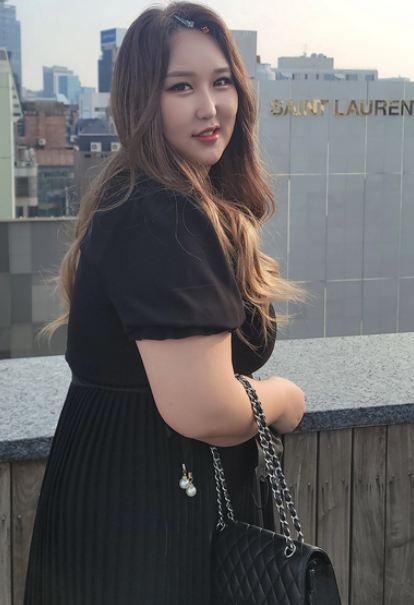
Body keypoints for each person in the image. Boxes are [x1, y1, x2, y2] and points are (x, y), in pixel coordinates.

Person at [24, 3, 306, 604]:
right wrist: (283, 397)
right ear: (142, 101)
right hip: (147, 518)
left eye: (221, 81)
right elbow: (202, 408)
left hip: (122, 492)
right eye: (181, 87)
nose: (210, 106)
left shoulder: (143, 194)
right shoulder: (163, 213)